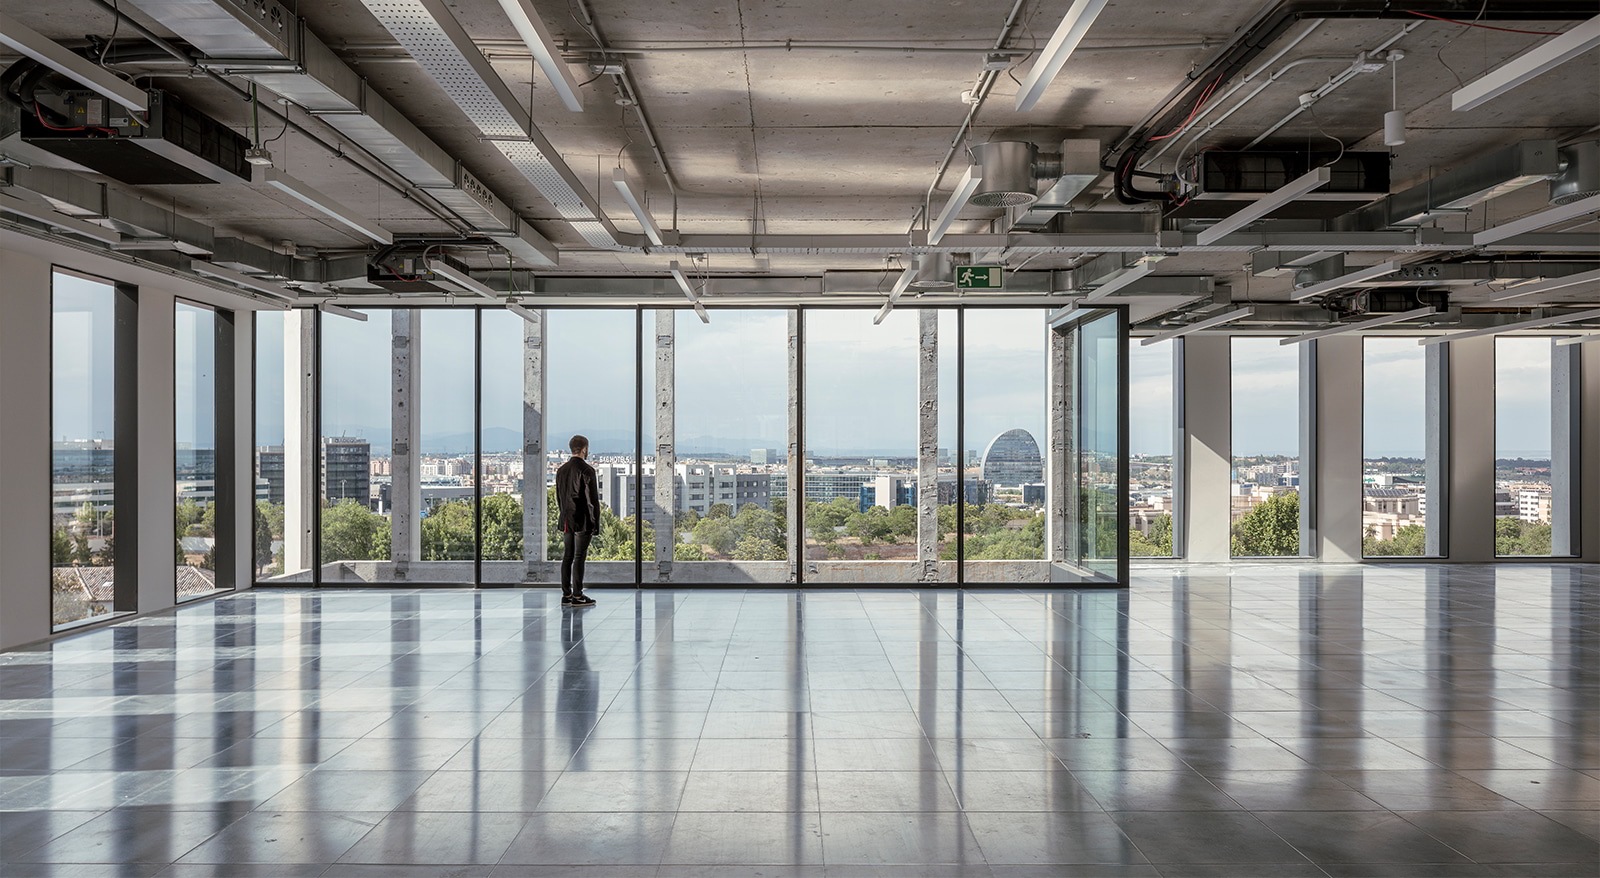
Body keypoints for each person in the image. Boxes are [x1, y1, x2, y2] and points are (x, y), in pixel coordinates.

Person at [555, 434, 600, 607]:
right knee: (579, 557)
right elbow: (592, 500)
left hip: (566, 519)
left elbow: (559, 497)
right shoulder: (587, 470)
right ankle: (578, 595)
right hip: (583, 520)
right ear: (584, 449)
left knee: (567, 556)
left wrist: (563, 515)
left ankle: (566, 595)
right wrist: (595, 521)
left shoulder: (561, 470)